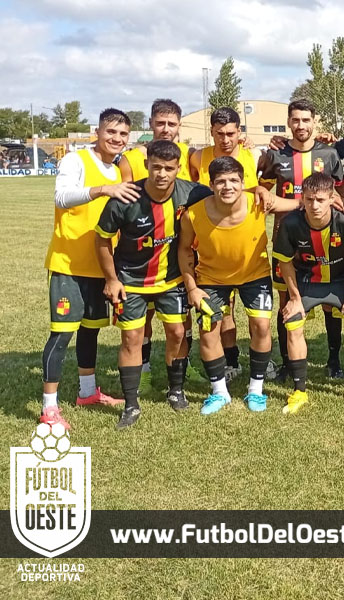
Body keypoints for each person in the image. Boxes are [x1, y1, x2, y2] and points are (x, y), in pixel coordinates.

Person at [95, 140, 214, 429]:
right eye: (156, 167)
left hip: (172, 279)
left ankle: (176, 390)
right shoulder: (125, 198)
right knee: (131, 338)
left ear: (178, 168)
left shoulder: (193, 193)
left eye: (169, 168)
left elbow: (226, 198)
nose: (162, 174)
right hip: (131, 281)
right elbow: (101, 239)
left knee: (177, 333)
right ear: (147, 164)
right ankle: (131, 404)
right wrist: (111, 279)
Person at [41, 108, 137, 428]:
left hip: (100, 267)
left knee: (90, 329)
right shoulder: (76, 160)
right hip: (68, 264)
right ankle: (49, 408)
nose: (117, 138)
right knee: (61, 334)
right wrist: (102, 190)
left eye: (123, 134)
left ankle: (87, 392)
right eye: (111, 132)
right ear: (98, 132)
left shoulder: (119, 169)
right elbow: (61, 197)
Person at [178, 156, 294, 415]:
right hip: (211, 280)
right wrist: (192, 288)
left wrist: (331, 199)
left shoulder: (258, 202)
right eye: (221, 181)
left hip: (255, 275)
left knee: (261, 326)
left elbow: (298, 203)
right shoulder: (193, 214)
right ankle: (219, 392)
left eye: (233, 180)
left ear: (243, 183)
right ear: (211, 185)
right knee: (208, 331)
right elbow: (184, 250)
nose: (227, 186)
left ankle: (256, 389)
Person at [258, 99, 344, 383]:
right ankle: (288, 363)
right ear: (288, 122)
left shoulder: (329, 154)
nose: (301, 125)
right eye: (295, 120)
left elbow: (342, 191)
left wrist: (341, 202)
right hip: (287, 241)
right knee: (286, 300)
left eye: (306, 120)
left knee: (329, 302)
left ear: (314, 121)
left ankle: (333, 360)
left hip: (325, 240)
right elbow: (264, 195)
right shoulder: (276, 154)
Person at [118, 99, 195, 395]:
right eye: (160, 123)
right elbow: (127, 202)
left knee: (180, 319)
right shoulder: (132, 158)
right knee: (143, 318)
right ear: (150, 123)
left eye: (171, 124)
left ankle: (184, 369)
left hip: (179, 248)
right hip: (141, 251)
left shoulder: (190, 155)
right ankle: (145, 369)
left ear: (179, 126)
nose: (165, 129)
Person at [274, 173, 344, 413]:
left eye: (320, 200)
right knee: (293, 322)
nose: (314, 205)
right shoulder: (290, 224)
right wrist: (294, 298)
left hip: (340, 281)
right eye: (309, 199)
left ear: (331, 199)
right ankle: (299, 391)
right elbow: (285, 262)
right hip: (308, 281)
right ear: (302, 199)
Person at [190, 107, 262, 382]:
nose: (225, 139)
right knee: (223, 311)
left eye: (230, 133)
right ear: (211, 132)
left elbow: (263, 188)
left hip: (246, 247)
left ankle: (260, 361)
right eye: (219, 133)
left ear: (239, 132)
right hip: (209, 245)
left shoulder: (253, 155)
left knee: (257, 315)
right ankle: (230, 361)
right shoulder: (198, 157)